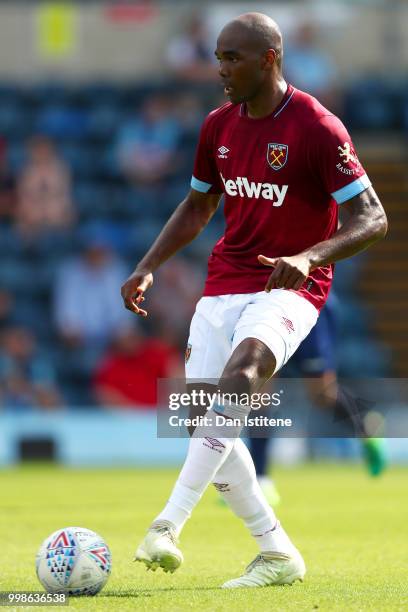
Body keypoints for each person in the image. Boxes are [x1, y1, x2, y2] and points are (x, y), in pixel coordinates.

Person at [121, 13, 387, 589]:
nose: (220, 69)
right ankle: (277, 553)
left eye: (232, 58)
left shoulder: (317, 126)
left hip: (292, 286)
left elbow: (374, 218)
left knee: (244, 373)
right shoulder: (218, 125)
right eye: (218, 57)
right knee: (200, 421)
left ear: (268, 58)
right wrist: (147, 266)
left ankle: (167, 523)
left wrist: (312, 256)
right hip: (224, 282)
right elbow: (197, 208)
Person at [249, 294, 387, 508]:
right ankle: (260, 480)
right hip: (267, 307)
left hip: (309, 305)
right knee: (259, 393)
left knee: (323, 394)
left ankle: (366, 426)